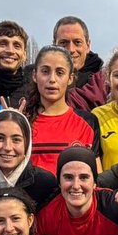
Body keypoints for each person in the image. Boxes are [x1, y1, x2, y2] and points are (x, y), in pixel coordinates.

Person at [22, 45, 100, 173]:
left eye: (59, 73)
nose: (52, 79)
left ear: (70, 78)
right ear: (35, 75)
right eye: (45, 71)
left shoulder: (88, 122)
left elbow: (95, 179)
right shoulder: (22, 121)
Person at [53, 16, 107, 111]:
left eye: (77, 42)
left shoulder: (105, 82)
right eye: (63, 43)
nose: (71, 49)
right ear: (54, 46)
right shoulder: (38, 78)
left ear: (88, 46)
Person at [0, 20, 30, 105]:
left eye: (17, 46)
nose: (10, 51)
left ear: (24, 54)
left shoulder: (35, 91)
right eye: (3, 44)